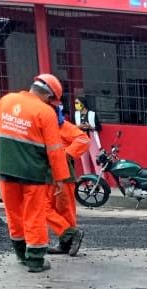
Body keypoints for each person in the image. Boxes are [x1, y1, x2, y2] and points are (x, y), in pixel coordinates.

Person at [0, 74, 73, 272]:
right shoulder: (45, 112)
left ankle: (20, 254)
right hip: (33, 174)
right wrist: (60, 178)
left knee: (13, 214)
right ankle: (35, 260)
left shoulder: (4, 101)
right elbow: (54, 149)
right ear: (49, 97)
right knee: (34, 214)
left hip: (6, 170)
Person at [45, 102, 89, 256]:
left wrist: (66, 154)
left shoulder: (65, 127)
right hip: (47, 176)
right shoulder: (43, 128)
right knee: (45, 208)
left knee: (65, 211)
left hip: (63, 175)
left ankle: (66, 242)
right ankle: (69, 236)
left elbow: (83, 140)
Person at [74, 96, 102, 176]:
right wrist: (79, 127)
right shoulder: (76, 115)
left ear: (83, 104)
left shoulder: (91, 114)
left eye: (77, 103)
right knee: (85, 162)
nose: (76, 105)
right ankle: (89, 181)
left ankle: (100, 180)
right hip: (81, 139)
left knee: (96, 161)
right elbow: (72, 127)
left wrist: (90, 127)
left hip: (91, 138)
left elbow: (99, 127)